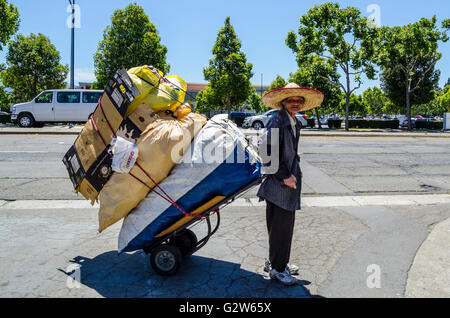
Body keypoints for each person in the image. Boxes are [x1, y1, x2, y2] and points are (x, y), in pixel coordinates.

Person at [257, 83, 324, 286]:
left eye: (298, 100)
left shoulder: (293, 120)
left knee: (279, 225)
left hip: (285, 178)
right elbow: (266, 149)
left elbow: (290, 150)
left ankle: (276, 262)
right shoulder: (277, 119)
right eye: (291, 100)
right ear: (283, 102)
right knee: (282, 227)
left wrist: (296, 167)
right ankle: (278, 269)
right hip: (280, 182)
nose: (295, 103)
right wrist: (285, 175)